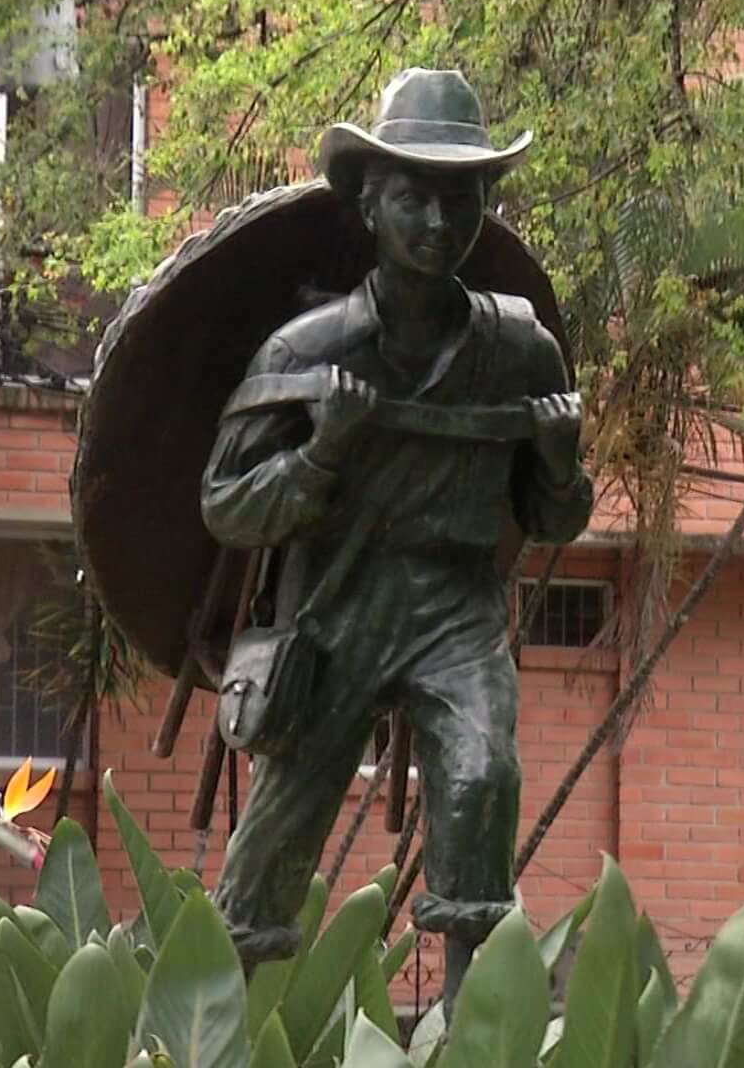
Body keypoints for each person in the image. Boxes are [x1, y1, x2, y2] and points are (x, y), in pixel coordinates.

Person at [201, 68, 593, 1000]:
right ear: (370, 205)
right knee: (270, 852)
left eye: (459, 200)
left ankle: (471, 1028)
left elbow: (551, 520)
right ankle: (213, 1031)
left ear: (485, 206)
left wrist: (561, 461)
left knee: (482, 775)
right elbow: (227, 505)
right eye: (412, 197)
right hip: (333, 612)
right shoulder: (308, 350)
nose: (436, 222)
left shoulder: (520, 351)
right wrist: (321, 454)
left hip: (456, 610)